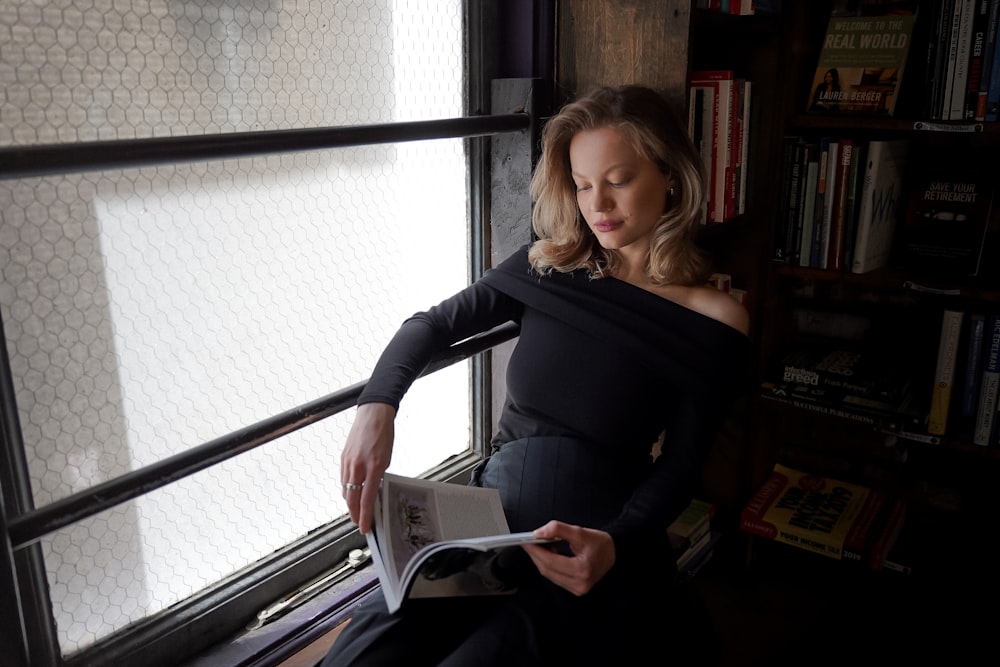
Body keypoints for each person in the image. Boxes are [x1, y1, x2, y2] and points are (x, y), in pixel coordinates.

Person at [321, 84, 750, 666]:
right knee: (365, 652)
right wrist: (377, 408)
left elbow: (681, 464)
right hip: (488, 525)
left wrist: (615, 544)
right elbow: (430, 325)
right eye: (581, 185)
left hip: (589, 543)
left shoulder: (714, 316)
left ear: (670, 175)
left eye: (618, 180)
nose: (597, 204)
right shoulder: (548, 266)